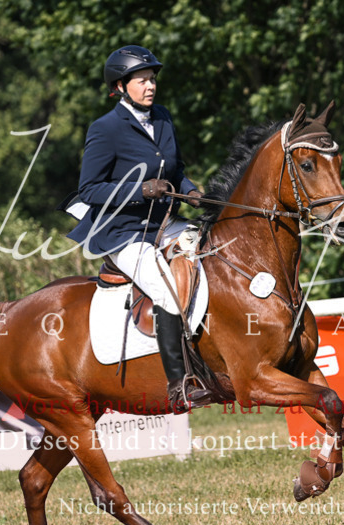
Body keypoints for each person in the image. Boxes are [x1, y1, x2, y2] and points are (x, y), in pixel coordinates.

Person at [66, 45, 208, 413]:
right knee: (164, 292)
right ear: (120, 85)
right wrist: (140, 189)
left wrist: (190, 190)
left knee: (212, 252)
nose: (151, 86)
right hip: (123, 232)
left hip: (164, 224)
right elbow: (90, 190)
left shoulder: (162, 117)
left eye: (153, 79)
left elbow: (174, 170)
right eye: (143, 80)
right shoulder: (105, 129)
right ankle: (180, 386)